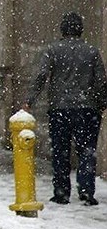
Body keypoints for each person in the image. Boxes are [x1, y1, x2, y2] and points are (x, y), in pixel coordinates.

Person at [24, 12, 107, 206]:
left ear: (63, 29)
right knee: (86, 150)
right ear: (80, 30)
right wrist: (101, 103)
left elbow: (41, 76)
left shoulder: (52, 50)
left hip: (59, 108)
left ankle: (61, 192)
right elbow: (101, 81)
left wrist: (30, 100)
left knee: (60, 151)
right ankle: (86, 191)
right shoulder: (92, 52)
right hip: (87, 109)